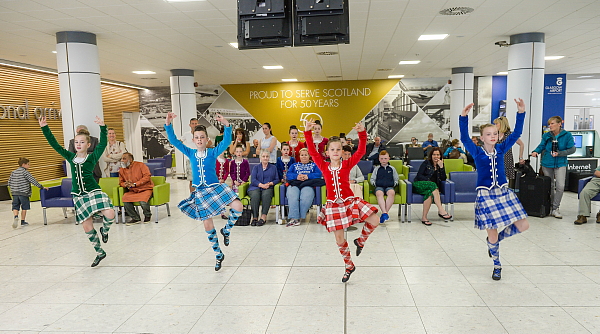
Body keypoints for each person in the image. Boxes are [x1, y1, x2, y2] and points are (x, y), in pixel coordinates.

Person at [460, 99, 530, 281]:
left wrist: (521, 113)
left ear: (499, 136)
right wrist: (463, 117)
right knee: (491, 232)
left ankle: (494, 241)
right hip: (485, 195)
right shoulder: (476, 152)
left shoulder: (501, 148)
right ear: (482, 138)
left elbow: (517, 134)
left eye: (495, 133)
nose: (492, 136)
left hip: (503, 193)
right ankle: (497, 265)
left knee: (524, 225)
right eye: (488, 134)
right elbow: (465, 138)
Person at [165, 112, 244, 271]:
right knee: (207, 223)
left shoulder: (212, 152)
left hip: (216, 187)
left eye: (202, 137)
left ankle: (226, 230)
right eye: (197, 137)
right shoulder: (190, 152)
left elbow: (227, 141)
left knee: (238, 206)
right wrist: (168, 124)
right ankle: (218, 254)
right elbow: (173, 140)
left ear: (207, 140)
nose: (200, 140)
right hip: (201, 191)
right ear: (193, 140)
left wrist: (226, 124)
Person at [305, 120, 380, 283]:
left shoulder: (347, 164)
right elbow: (312, 152)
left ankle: (360, 241)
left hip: (349, 202)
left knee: (375, 219)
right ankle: (349, 266)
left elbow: (360, 151)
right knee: (339, 239)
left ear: (342, 151)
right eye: (332, 149)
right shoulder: (323, 166)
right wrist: (307, 132)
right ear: (327, 152)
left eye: (338, 149)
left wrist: (362, 133)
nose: (336, 151)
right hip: (333, 206)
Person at [40, 116, 116, 267]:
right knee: (87, 226)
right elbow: (54, 145)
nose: (79, 144)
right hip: (79, 196)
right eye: (76, 142)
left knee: (110, 213)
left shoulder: (92, 157)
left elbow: (102, 145)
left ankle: (105, 231)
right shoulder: (70, 157)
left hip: (93, 191)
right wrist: (45, 128)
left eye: (82, 142)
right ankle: (100, 252)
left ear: (88, 144)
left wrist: (103, 128)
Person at [531, 116, 575, 219]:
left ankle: (556, 208)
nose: (550, 126)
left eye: (552, 124)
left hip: (561, 163)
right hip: (547, 163)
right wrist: (536, 151)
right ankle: (550, 207)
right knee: (549, 186)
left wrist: (559, 153)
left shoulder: (567, 135)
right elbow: (541, 145)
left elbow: (572, 149)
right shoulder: (547, 136)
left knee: (560, 186)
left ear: (560, 124)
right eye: (549, 124)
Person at [414, 147, 452, 225]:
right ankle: (441, 210)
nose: (436, 156)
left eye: (438, 155)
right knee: (433, 185)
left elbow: (443, 178)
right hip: (419, 184)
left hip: (432, 188)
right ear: (431, 156)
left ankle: (424, 218)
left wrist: (441, 167)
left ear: (440, 156)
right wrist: (429, 182)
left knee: (429, 194)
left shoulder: (440, 165)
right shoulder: (426, 163)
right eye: (434, 154)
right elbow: (419, 175)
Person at [285, 148, 323, 227]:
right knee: (293, 196)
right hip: (295, 184)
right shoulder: (294, 165)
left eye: (306, 155)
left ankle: (298, 217)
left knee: (306, 197)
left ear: (309, 156)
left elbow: (318, 174)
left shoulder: (314, 165)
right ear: (299, 156)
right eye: (302, 155)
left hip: (308, 184)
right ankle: (294, 218)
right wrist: (297, 176)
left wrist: (307, 176)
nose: (304, 157)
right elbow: (288, 175)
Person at [8, 157, 47, 228]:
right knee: (24, 207)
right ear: (23, 164)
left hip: (14, 192)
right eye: (28, 164)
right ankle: (23, 221)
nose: (29, 166)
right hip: (23, 193)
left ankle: (15, 216)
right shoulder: (25, 172)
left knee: (15, 206)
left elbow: (9, 182)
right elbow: (33, 181)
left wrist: (13, 189)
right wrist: (41, 187)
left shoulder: (13, 172)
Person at [118, 153, 154, 225]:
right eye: (121, 159)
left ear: (130, 160)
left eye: (124, 159)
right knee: (125, 198)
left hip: (145, 189)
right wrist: (125, 184)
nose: (122, 160)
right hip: (133, 190)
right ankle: (135, 218)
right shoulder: (122, 170)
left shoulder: (141, 165)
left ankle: (147, 215)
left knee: (143, 201)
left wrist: (135, 184)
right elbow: (121, 182)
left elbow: (147, 177)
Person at [248, 149, 279, 226]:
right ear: (260, 157)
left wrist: (271, 183)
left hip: (268, 187)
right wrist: (261, 185)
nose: (265, 158)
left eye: (267, 156)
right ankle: (255, 217)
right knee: (255, 195)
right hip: (256, 187)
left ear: (269, 158)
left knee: (266, 195)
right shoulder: (256, 167)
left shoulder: (273, 167)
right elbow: (253, 180)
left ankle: (263, 217)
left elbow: (277, 179)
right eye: (263, 156)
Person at [370, 150, 399, 223]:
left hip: (389, 186)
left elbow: (396, 179)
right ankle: (385, 213)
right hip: (379, 186)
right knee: (379, 194)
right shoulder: (376, 168)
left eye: (385, 158)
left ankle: (384, 213)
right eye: (382, 158)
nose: (383, 160)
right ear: (379, 159)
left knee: (391, 192)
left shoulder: (392, 169)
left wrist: (394, 184)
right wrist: (375, 184)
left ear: (389, 158)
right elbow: (372, 179)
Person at [494, 116, 525, 181]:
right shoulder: (494, 135)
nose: (495, 125)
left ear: (502, 124)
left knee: (505, 180)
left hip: (506, 159)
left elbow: (521, 144)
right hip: (496, 159)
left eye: (496, 124)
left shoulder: (509, 135)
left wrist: (520, 157)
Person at [182, 118, 199, 192]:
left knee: (201, 179)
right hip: (190, 159)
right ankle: (192, 197)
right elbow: (179, 142)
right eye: (193, 123)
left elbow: (210, 142)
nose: (194, 125)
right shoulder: (186, 134)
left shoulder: (201, 133)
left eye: (196, 123)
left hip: (200, 158)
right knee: (191, 180)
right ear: (190, 125)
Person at [216, 151, 230, 220]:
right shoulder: (215, 160)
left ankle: (222, 213)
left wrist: (223, 179)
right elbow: (213, 170)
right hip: (215, 181)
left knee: (222, 197)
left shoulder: (226, 161)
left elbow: (227, 171)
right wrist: (217, 179)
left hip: (222, 182)